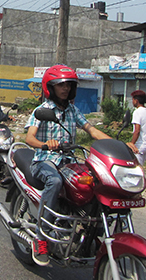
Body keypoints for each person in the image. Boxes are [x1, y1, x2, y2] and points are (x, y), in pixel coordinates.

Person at [24, 64, 112, 266]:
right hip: (44, 161)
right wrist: (46, 144)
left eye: (68, 85)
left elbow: (92, 131)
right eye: (61, 85)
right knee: (54, 181)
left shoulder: (73, 110)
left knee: (96, 182)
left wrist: (116, 145)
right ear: (50, 87)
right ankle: (41, 236)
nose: (65, 88)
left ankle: (90, 230)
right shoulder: (42, 110)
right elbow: (29, 138)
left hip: (69, 162)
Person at [130, 90, 146, 165]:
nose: (132, 102)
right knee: (139, 166)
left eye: (133, 100)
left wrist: (131, 144)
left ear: (136, 101)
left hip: (139, 146)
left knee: (135, 168)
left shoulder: (137, 112)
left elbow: (137, 131)